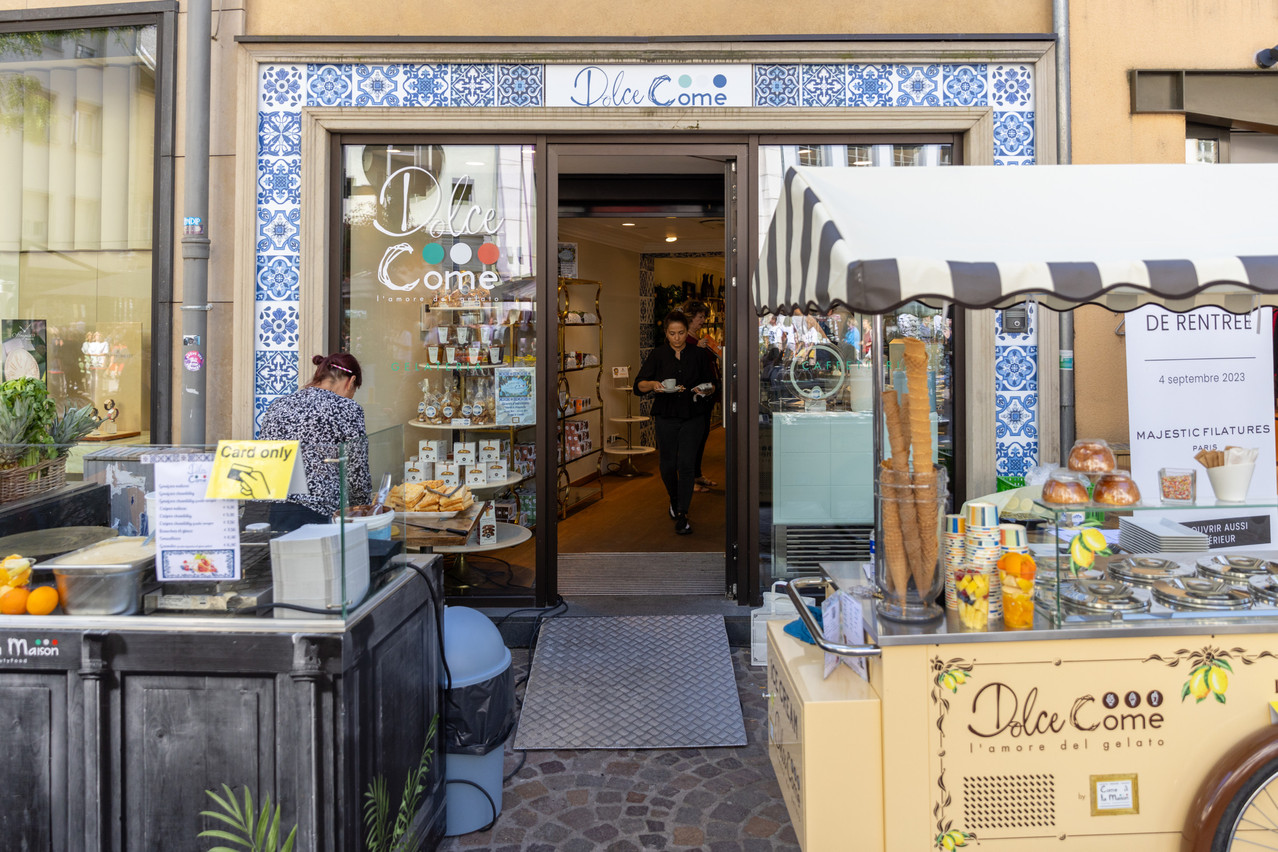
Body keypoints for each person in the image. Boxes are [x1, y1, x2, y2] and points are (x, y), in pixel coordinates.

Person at [258, 352, 371, 532]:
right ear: (351, 381)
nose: (351, 396)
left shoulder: (278, 405)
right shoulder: (348, 408)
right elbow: (356, 471)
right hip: (321, 511)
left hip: (275, 509)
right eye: (353, 391)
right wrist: (363, 509)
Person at [634, 311, 718, 535]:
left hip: (693, 415)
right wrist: (653, 384)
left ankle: (682, 514)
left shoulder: (699, 355)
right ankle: (674, 498)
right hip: (667, 415)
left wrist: (705, 389)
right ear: (666, 334)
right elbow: (638, 385)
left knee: (687, 465)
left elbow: (713, 384)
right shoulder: (658, 355)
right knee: (668, 465)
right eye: (672, 333)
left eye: (681, 333)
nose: (678, 338)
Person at [682, 300, 720, 492]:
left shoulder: (698, 339)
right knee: (693, 439)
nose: (703, 321)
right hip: (694, 399)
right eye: (700, 317)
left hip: (706, 397)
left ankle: (697, 474)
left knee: (702, 436)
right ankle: (691, 480)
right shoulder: (686, 342)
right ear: (690, 318)